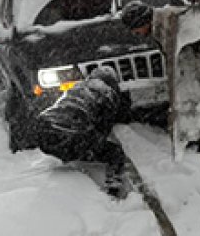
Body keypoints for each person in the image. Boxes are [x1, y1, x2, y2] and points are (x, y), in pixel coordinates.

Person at [34, 66, 132, 197]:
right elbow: (104, 127)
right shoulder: (108, 93)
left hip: (44, 129)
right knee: (114, 153)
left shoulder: (77, 87)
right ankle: (114, 186)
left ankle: (68, 153)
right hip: (73, 132)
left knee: (73, 144)